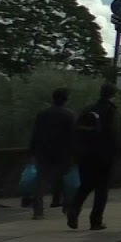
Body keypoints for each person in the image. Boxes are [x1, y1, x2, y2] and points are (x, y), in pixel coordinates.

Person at [69, 83, 121, 230]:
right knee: (101, 189)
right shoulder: (111, 111)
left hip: (85, 154)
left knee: (86, 185)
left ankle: (74, 209)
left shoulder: (88, 109)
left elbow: (77, 131)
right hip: (104, 155)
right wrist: (117, 152)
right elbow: (114, 134)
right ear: (113, 95)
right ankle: (96, 220)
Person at [27, 87, 76, 219]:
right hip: (63, 154)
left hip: (44, 153)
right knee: (67, 182)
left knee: (40, 182)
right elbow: (73, 136)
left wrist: (32, 152)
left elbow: (36, 134)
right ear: (65, 100)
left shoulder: (42, 114)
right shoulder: (69, 115)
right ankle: (68, 208)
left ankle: (38, 211)